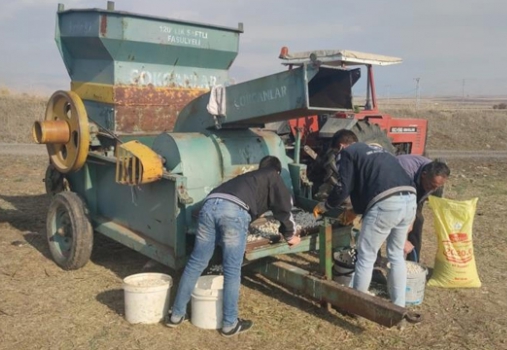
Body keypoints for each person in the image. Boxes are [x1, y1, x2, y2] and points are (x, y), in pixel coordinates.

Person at [166, 156, 301, 336]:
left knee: (196, 263)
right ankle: (230, 324)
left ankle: (176, 315)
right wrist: (290, 234)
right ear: (276, 170)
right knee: (232, 269)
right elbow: (283, 206)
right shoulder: (272, 174)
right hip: (233, 211)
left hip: (209, 206)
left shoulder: (246, 178)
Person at [313, 130, 417, 307]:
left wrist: (326, 205)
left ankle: (356, 305)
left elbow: (343, 187)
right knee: (396, 255)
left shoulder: (348, 152)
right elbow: (370, 184)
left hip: (387, 204)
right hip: (409, 200)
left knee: (366, 257)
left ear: (341, 146)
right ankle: (399, 305)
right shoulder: (381, 151)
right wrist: (356, 210)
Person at [395, 155, 450, 262]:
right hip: (394, 189)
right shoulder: (405, 169)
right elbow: (399, 205)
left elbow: (415, 204)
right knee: (391, 221)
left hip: (415, 189)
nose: (433, 189)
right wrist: (402, 238)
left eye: (437, 187)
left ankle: (413, 261)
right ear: (424, 175)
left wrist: (412, 220)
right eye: (432, 185)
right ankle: (376, 260)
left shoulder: (432, 181)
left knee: (418, 221)